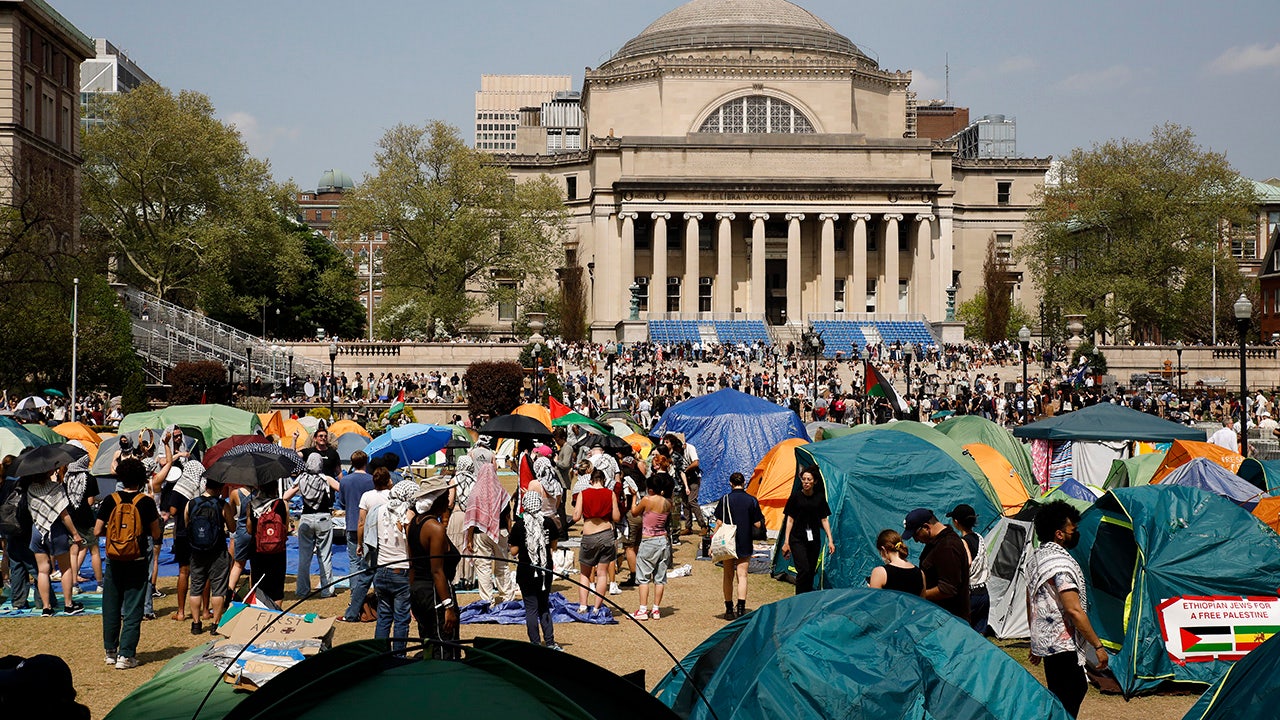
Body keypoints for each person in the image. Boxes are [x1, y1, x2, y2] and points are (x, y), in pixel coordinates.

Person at [1027, 500, 1108, 718]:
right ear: (1059, 534)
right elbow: (1073, 610)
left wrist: (1035, 639)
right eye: (1073, 530)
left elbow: (1031, 602)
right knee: (1073, 692)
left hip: (1048, 642)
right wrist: (1098, 646)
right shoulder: (1059, 565)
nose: (1076, 533)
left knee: (1060, 694)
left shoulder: (1037, 557)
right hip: (1063, 644)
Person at [95, 458, 162, 669]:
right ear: (141, 478)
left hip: (114, 559)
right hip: (138, 558)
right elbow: (156, 532)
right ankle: (126, 654)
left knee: (111, 605)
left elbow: (97, 531)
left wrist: (115, 536)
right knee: (133, 607)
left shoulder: (110, 500)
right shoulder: (146, 501)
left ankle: (110, 651)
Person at [408, 477, 462, 658]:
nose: (448, 500)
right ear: (436, 500)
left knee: (428, 645)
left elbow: (412, 565)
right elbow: (436, 570)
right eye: (446, 496)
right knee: (443, 646)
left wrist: (412, 594)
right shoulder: (435, 528)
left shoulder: (414, 524)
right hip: (436, 593)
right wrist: (448, 606)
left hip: (419, 592)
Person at [24, 465, 87, 616]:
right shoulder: (56, 488)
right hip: (56, 531)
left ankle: (47, 608)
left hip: (37, 530)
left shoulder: (31, 489)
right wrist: (75, 533)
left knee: (42, 571)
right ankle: (68, 605)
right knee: (65, 568)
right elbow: (64, 515)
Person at [509, 491, 559, 648]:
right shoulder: (548, 523)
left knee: (531, 608)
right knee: (544, 606)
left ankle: (535, 643)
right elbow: (554, 545)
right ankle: (550, 642)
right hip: (545, 571)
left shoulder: (519, 525)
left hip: (526, 571)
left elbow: (513, 551)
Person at [184, 477, 235, 634]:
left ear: (205, 486)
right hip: (218, 551)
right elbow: (232, 527)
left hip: (196, 551)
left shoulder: (191, 503)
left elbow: (187, 524)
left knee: (196, 588)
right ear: (220, 489)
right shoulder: (222, 505)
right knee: (218, 588)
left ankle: (196, 624)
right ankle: (215, 624)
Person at [373, 480, 419, 652]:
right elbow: (411, 546)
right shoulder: (407, 515)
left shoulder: (379, 511)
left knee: (383, 617)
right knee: (401, 618)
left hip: (381, 567)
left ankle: (379, 654)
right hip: (401, 570)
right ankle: (398, 655)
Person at [712, 471, 764, 619]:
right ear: (744, 482)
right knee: (742, 576)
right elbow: (757, 524)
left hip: (727, 542)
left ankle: (729, 610)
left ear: (730, 483)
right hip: (744, 540)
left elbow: (719, 522)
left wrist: (712, 541)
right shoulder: (751, 500)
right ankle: (741, 609)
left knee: (728, 576)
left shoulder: (725, 499)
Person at [903, 508, 970, 621]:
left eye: (915, 534)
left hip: (950, 619)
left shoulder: (948, 546)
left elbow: (948, 589)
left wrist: (919, 595)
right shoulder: (935, 543)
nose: (915, 540)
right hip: (938, 616)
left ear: (926, 527)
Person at [464, 461, 515, 610]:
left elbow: (472, 520)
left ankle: (487, 600)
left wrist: (469, 540)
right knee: (502, 565)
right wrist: (511, 537)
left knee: (483, 567)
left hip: (481, 534)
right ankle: (507, 597)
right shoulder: (501, 492)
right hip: (501, 532)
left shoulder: (475, 493)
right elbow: (508, 518)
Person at [573, 468, 620, 618]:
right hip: (606, 534)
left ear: (591, 480)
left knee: (585, 573)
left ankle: (582, 605)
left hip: (589, 534)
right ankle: (596, 608)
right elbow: (617, 516)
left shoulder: (584, 493)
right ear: (604, 481)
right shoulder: (610, 493)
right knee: (602, 574)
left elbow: (575, 517)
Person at [781, 466, 834, 594]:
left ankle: (807, 598)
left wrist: (830, 540)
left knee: (810, 570)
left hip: (814, 539)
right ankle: (798, 598)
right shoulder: (795, 497)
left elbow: (824, 519)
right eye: (803, 479)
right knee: (803, 569)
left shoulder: (820, 498)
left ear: (814, 481)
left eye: (809, 479)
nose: (806, 482)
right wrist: (786, 541)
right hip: (797, 538)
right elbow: (790, 520)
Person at [295, 453, 341, 600]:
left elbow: (286, 496)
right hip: (323, 518)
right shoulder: (326, 479)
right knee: (325, 556)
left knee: (304, 557)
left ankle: (302, 590)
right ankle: (327, 590)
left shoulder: (301, 479)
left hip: (306, 519)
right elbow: (341, 488)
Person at [337, 451, 375, 622]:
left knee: (354, 561)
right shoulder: (371, 480)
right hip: (369, 526)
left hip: (352, 523)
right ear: (366, 462)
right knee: (370, 561)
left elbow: (342, 501)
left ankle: (355, 595)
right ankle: (364, 594)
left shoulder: (345, 480)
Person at [630, 472, 672, 621]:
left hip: (649, 541)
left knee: (643, 577)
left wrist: (634, 497)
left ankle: (642, 609)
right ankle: (656, 609)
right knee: (660, 578)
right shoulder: (668, 502)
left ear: (650, 488)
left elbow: (634, 512)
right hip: (663, 540)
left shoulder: (647, 500)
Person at [948, 503, 990, 634]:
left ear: (956, 522)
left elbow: (968, 563)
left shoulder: (962, 541)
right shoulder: (980, 538)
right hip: (983, 592)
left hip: (969, 595)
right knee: (979, 635)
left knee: (964, 634)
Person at [247, 482, 291, 605]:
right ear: (275, 488)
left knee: (258, 585)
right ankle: (275, 615)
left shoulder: (252, 505)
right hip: (278, 551)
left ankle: (259, 613)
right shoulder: (282, 504)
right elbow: (285, 528)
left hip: (258, 550)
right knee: (277, 587)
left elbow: (249, 530)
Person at [868, 529, 924, 596]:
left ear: (883, 549)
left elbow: (874, 602)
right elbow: (922, 603)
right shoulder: (920, 573)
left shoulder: (880, 572)